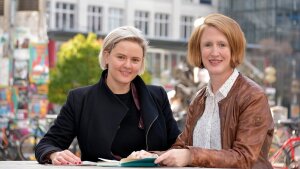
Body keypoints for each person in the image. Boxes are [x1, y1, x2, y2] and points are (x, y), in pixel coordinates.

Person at [134, 13, 274, 169]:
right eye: (207, 45)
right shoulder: (199, 99)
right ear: (199, 51)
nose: (214, 52)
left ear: (234, 49)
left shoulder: (253, 96)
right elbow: (181, 148)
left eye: (222, 45)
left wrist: (191, 156)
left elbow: (244, 158)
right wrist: (152, 156)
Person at [35, 26, 180, 165]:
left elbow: (178, 146)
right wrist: (55, 154)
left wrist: (154, 156)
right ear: (106, 56)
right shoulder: (79, 99)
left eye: (135, 60)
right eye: (121, 57)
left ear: (141, 62)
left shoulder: (158, 96)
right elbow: (47, 144)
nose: (128, 65)